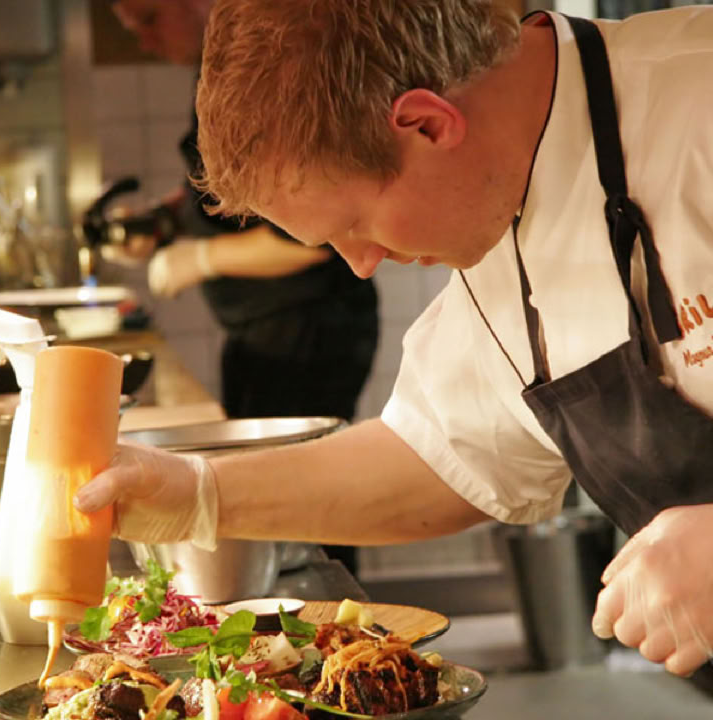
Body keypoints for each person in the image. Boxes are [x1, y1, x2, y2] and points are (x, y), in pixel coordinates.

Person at [76, 0, 713, 680]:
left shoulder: (696, 105)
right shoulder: (499, 202)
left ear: (428, 124)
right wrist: (197, 494)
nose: (361, 264)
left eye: (355, 224)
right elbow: (444, 457)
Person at [105, 0, 379, 575]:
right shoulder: (215, 73)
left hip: (309, 328)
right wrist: (167, 221)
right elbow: (237, 202)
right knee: (279, 507)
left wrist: (203, 257)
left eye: (150, 20)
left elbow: (312, 239)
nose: (145, 42)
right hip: (263, 332)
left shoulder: (268, 70)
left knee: (312, 508)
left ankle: (331, 614)